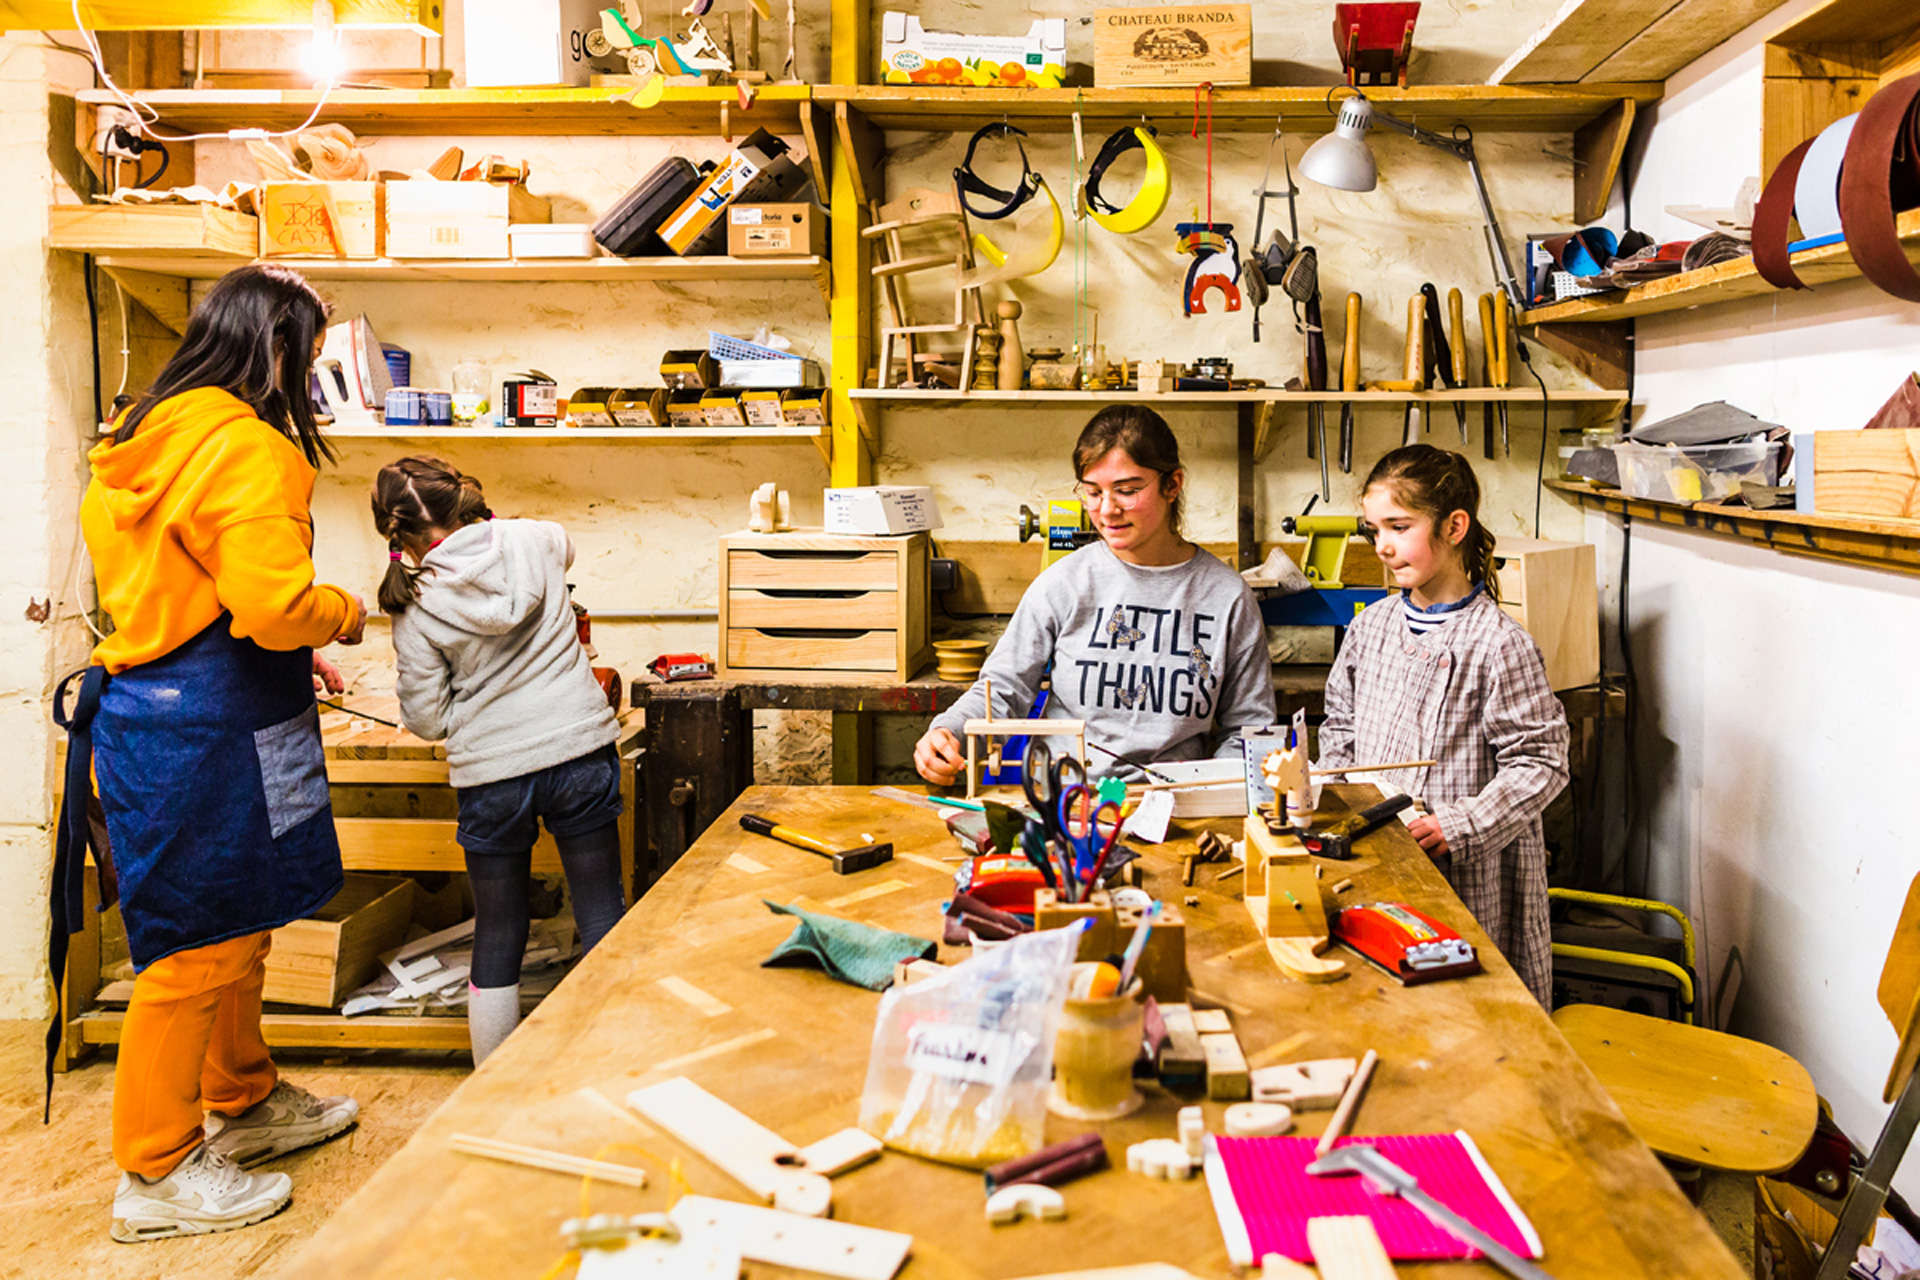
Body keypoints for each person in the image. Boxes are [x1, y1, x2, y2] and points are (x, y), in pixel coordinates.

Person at [61, 264, 369, 1243]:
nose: (311, 376)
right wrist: (343, 615)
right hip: (204, 728)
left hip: (167, 707)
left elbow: (188, 587)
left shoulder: (144, 435)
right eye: (311, 355)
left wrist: (290, 643)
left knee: (240, 923)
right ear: (280, 349)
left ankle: (245, 1097)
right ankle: (153, 1171)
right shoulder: (245, 448)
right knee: (195, 946)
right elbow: (275, 607)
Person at [371, 456, 625, 1066]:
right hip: (578, 752)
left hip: (492, 777)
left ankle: (493, 1086)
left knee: (499, 930)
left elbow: (427, 720)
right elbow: (564, 548)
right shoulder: (534, 538)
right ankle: (615, 1064)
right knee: (603, 916)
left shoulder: (415, 602)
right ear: (466, 498)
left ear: (398, 535)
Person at [1317, 444, 1569, 1005]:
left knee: (1470, 1008)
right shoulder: (1372, 628)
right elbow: (1340, 723)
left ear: (1455, 526)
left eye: (1399, 527)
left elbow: (1543, 763)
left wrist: (1459, 825)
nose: (1382, 546)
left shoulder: (1499, 644)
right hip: (1377, 854)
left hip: (1465, 871)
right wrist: (1335, 796)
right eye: (1372, 529)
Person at [915, 405, 1275, 784]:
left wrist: (1215, 793)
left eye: (1127, 491)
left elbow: (1250, 728)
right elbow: (1003, 690)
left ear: (1173, 485)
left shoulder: (1227, 597)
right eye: (1092, 492)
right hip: (1065, 805)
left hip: (1174, 810)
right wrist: (948, 733)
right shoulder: (1063, 584)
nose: (1107, 510)